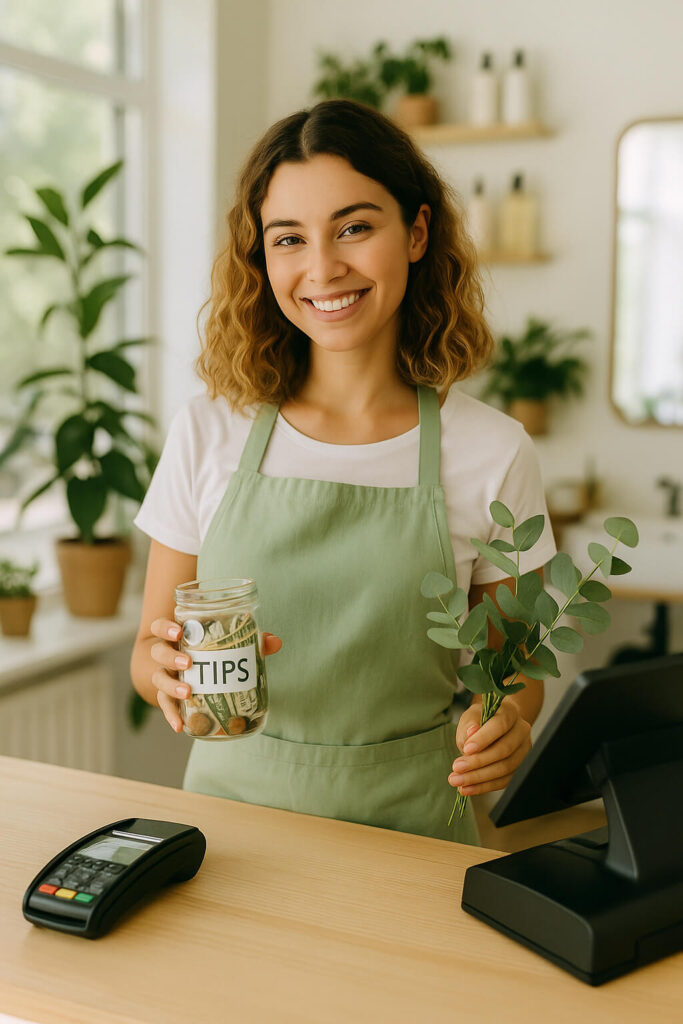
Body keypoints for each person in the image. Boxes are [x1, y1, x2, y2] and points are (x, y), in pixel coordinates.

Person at [130, 99, 556, 845]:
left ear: (417, 232)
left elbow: (514, 672)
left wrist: (510, 721)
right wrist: (162, 670)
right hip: (227, 831)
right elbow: (148, 650)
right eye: (288, 238)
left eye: (354, 227)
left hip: (415, 833)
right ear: (261, 258)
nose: (323, 268)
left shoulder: (495, 452)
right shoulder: (207, 431)